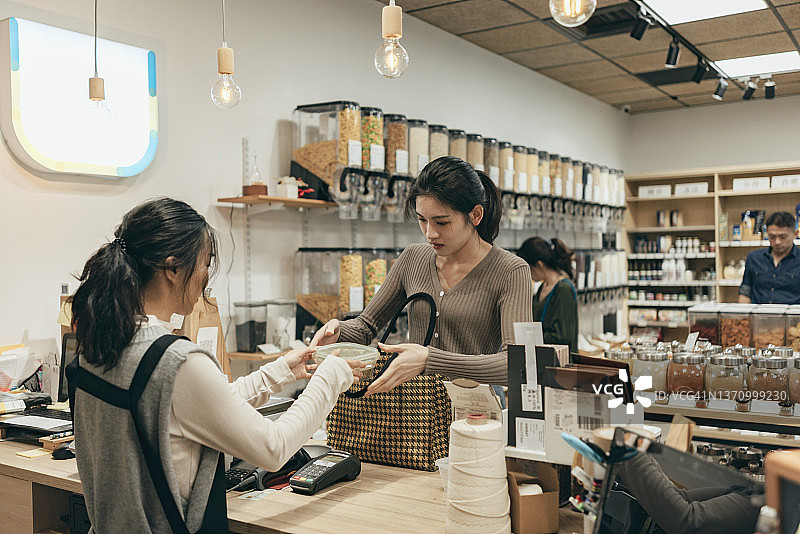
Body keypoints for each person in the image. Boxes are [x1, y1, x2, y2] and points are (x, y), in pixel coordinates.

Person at [69, 198, 363, 533]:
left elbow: (197, 405)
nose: (206, 277)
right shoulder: (175, 360)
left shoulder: (99, 345)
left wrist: (278, 372)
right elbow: (273, 447)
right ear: (172, 269)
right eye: (205, 263)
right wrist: (329, 379)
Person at [311, 156, 533, 393]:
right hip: (416, 408)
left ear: (476, 215)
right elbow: (366, 326)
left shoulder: (510, 271)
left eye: (441, 222)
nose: (430, 233)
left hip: (475, 409)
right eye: (422, 220)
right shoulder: (413, 258)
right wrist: (338, 331)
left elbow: (519, 365)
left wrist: (430, 359)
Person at [517, 237, 578, 355]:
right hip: (543, 357)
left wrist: (529, 337)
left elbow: (562, 335)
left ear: (539, 264)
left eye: (529, 268)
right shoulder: (542, 287)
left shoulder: (563, 289)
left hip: (560, 361)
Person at [738, 211, 800, 304]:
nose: (777, 242)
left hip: (793, 313)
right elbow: (745, 291)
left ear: (795, 234)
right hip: (758, 312)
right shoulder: (754, 257)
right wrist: (743, 312)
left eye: (783, 237)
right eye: (772, 237)